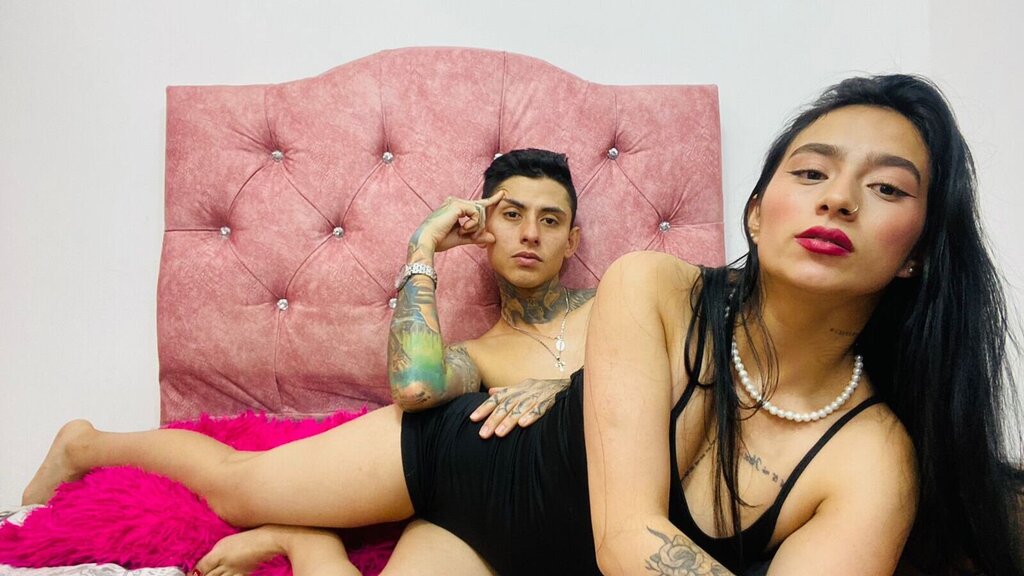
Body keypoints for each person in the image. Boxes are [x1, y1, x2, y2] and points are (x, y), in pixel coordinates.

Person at [22, 75, 1023, 575]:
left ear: (918, 250)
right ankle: (88, 441)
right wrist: (424, 246)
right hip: (468, 464)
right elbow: (421, 387)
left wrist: (568, 387)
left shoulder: (872, 459)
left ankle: (313, 547)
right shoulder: (640, 294)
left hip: (531, 548)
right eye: (812, 171)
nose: (839, 198)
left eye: (886, 187)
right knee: (240, 483)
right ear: (758, 213)